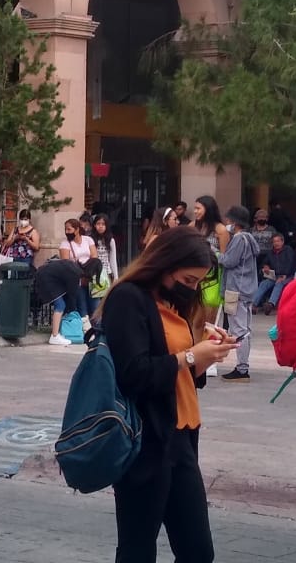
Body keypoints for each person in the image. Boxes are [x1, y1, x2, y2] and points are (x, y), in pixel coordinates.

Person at [100, 226, 237, 563]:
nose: (192, 289)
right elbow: (134, 373)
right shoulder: (128, 298)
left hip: (182, 437)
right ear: (165, 264)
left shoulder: (172, 303)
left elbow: (181, 375)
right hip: (145, 441)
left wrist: (206, 355)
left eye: (198, 282)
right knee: (137, 549)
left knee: (197, 551)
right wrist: (190, 356)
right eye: (188, 280)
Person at [216, 205, 258, 382]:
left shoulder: (239, 239)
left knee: (239, 330)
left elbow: (229, 261)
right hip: (246, 289)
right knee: (245, 329)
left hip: (236, 290)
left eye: (229, 220)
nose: (227, 223)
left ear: (235, 221)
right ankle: (242, 366)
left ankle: (242, 369)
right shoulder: (249, 238)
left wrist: (215, 254)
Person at [35, 255, 101, 345]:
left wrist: (71, 310)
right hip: (47, 278)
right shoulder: (75, 274)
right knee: (60, 305)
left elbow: (70, 295)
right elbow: (72, 296)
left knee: (61, 305)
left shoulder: (76, 269)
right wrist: (73, 312)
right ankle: (54, 336)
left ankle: (56, 333)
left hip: (45, 275)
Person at [252, 233, 296, 314]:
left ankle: (270, 304)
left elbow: (291, 263)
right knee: (264, 283)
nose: (276, 243)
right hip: (275, 276)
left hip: (288, 275)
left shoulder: (288, 250)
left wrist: (285, 275)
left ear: (282, 242)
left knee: (279, 283)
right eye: (274, 241)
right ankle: (253, 304)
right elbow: (264, 262)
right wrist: (265, 266)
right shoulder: (271, 252)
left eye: (278, 241)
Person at [90, 213, 120, 281]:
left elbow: (113, 259)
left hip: (107, 273)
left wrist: (116, 277)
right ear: (94, 225)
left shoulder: (111, 240)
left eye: (103, 224)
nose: (100, 226)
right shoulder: (90, 239)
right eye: (98, 224)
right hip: (93, 273)